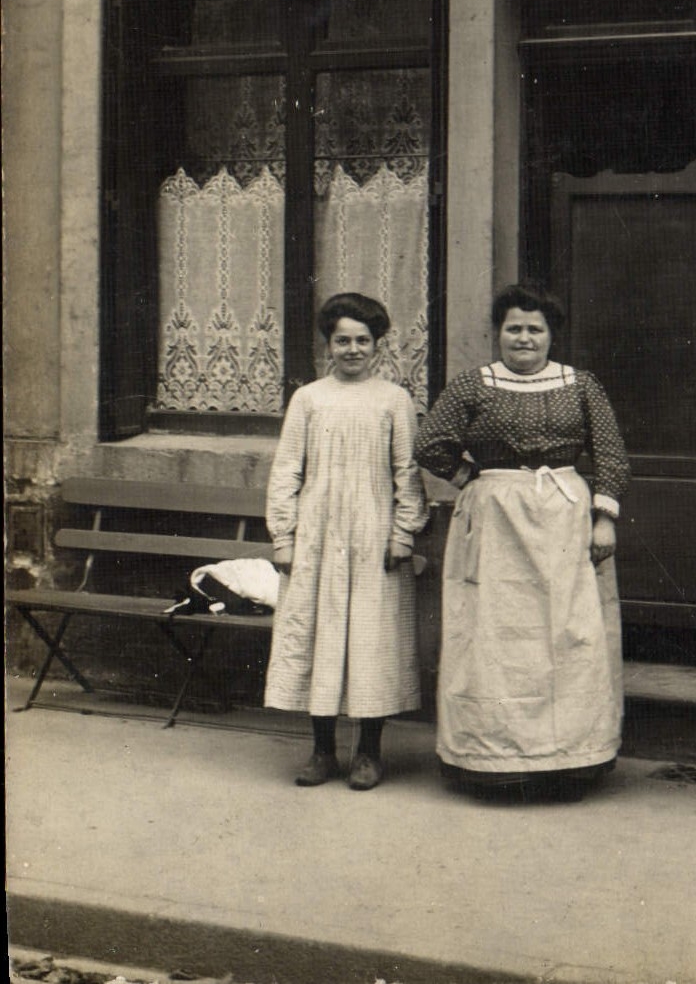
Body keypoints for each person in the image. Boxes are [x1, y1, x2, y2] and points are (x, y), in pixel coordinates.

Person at [415, 281, 630, 794]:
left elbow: (611, 452)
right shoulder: (474, 385)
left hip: (563, 514)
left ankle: (570, 758)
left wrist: (604, 516)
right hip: (495, 520)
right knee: (495, 632)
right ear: (498, 333)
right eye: (514, 328)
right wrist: (470, 478)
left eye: (535, 329)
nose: (524, 339)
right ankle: (491, 759)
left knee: (567, 632)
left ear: (551, 336)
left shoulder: (581, 385)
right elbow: (429, 442)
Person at [264, 292, 430, 790]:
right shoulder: (309, 399)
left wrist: (403, 532)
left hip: (375, 539)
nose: (352, 350)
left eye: (363, 341)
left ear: (378, 345)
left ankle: (369, 753)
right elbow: (286, 471)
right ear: (328, 345)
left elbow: (408, 471)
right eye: (343, 341)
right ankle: (321, 751)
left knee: (370, 644)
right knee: (320, 639)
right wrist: (284, 537)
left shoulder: (394, 400)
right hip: (318, 537)